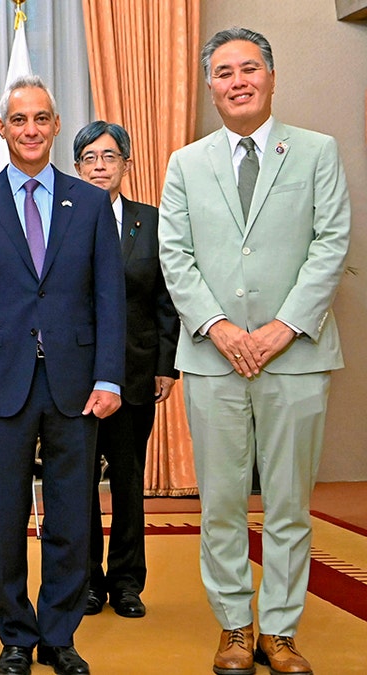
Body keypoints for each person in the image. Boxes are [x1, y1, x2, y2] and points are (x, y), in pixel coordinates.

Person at [159, 27, 349, 675]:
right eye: (223, 71)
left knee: (291, 503)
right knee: (220, 502)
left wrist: (281, 327)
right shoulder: (186, 162)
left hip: (296, 354)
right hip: (213, 357)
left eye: (249, 69)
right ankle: (236, 627)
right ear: (210, 85)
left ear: (271, 77)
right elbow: (175, 256)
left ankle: (282, 629)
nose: (237, 80)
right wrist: (218, 326)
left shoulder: (318, 151)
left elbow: (331, 243)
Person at [0, 75, 125, 675]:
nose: (30, 129)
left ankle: (60, 633)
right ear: (2, 129)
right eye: (18, 120)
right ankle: (16, 633)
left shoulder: (92, 203)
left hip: (77, 383)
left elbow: (109, 299)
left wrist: (110, 377)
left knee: (73, 517)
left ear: (54, 125)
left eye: (41, 118)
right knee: (6, 517)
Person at [71, 120, 180, 620]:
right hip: (74, 376)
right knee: (79, 483)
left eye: (109, 157)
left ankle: (127, 582)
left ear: (125, 165)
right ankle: (88, 581)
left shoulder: (152, 221)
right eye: (89, 157)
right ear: (76, 167)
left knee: (129, 482)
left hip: (136, 372)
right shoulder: (60, 219)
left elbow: (166, 300)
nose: (99, 166)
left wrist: (165, 365)